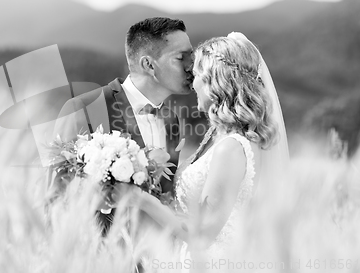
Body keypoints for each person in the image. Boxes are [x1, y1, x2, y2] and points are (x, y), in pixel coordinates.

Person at [124, 32, 289, 257]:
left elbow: (202, 235)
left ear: (216, 81)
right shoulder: (221, 137)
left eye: (197, 74)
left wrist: (140, 199)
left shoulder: (231, 148)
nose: (192, 84)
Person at [48, 17, 195, 234]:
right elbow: (56, 199)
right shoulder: (83, 108)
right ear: (149, 65)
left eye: (190, 56)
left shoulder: (171, 120)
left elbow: (165, 198)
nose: (191, 66)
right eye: (181, 58)